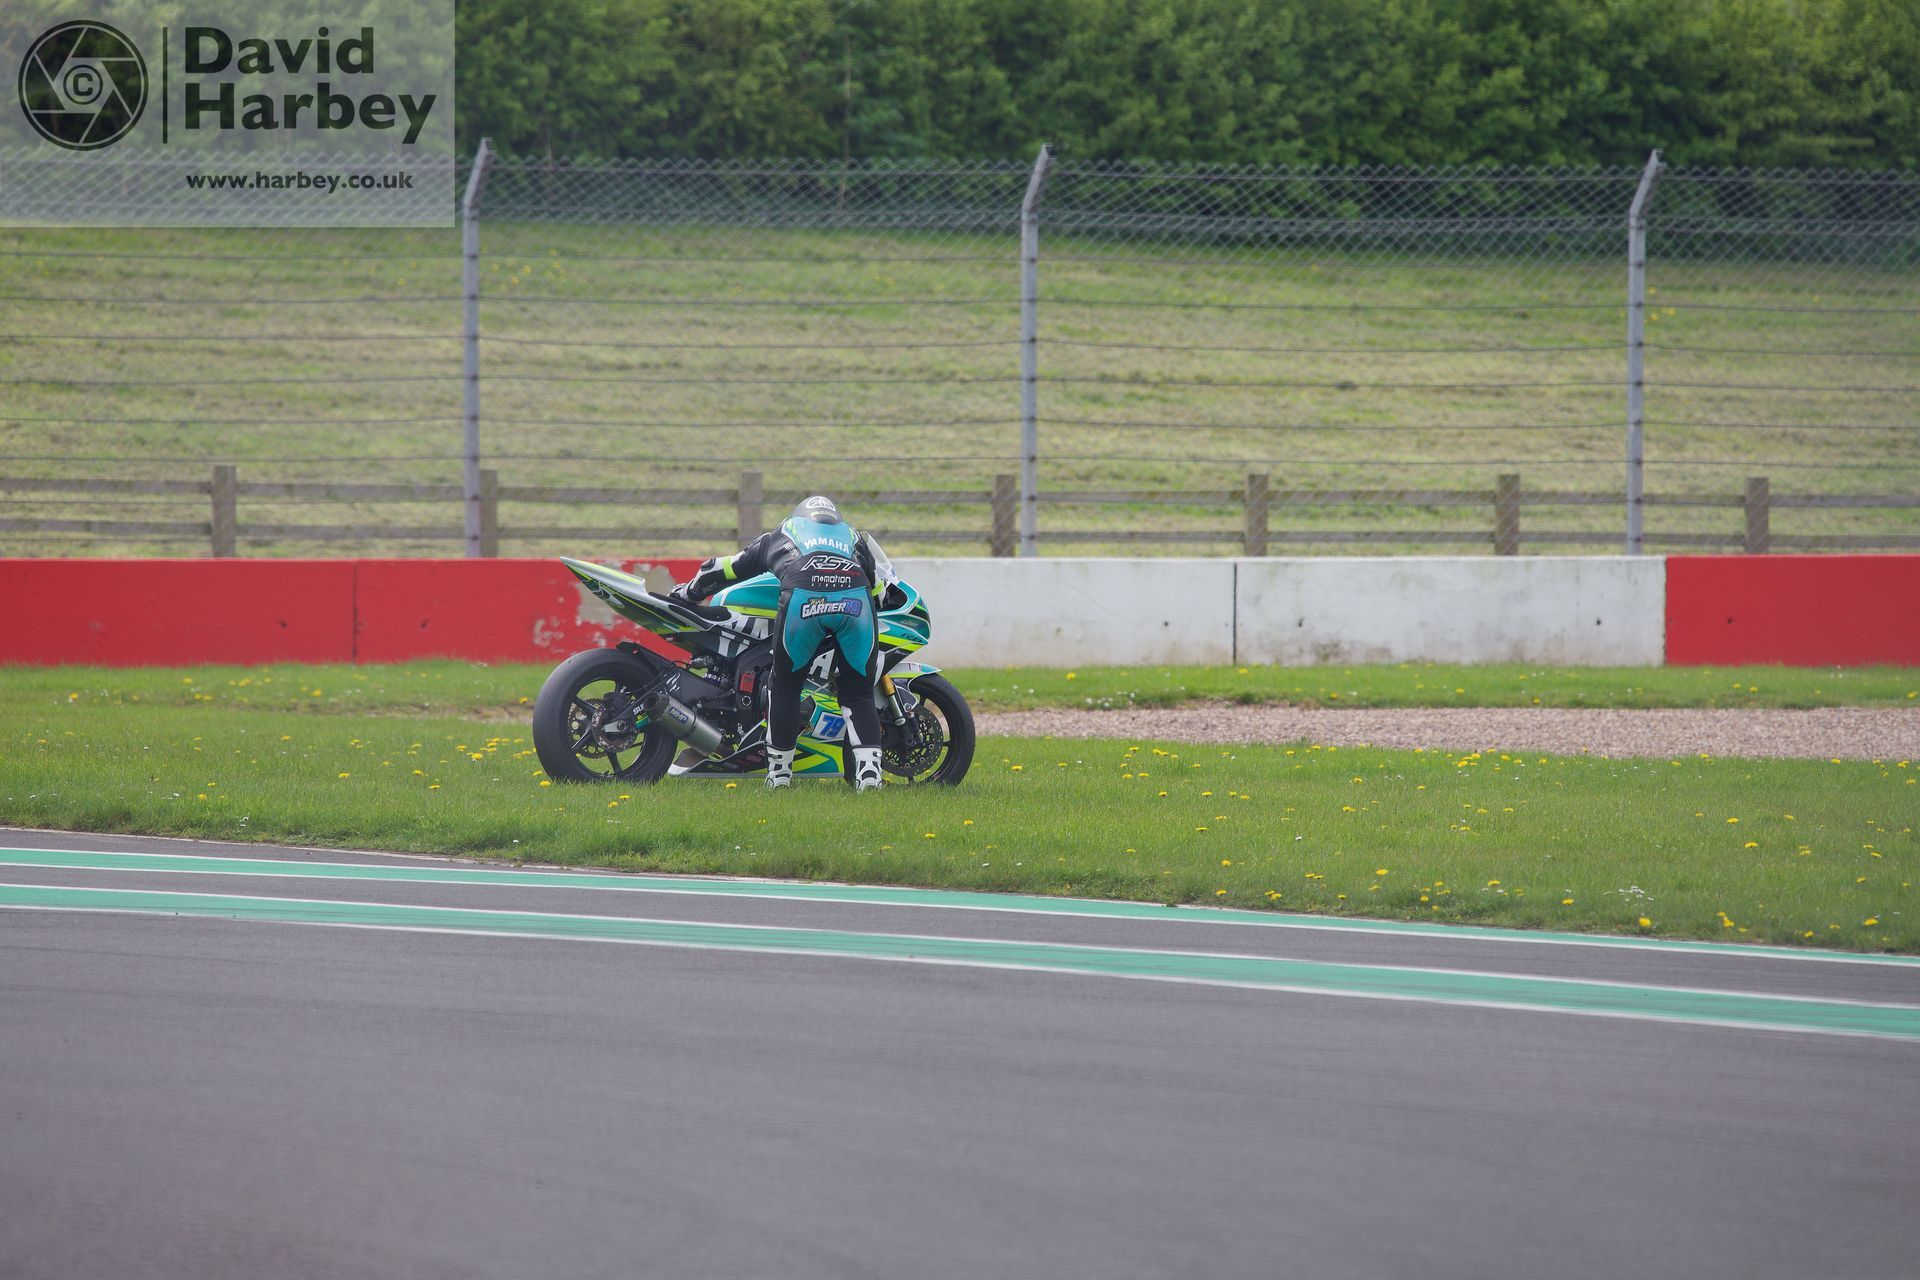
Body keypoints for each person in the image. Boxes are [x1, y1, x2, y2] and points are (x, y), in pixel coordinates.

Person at [672, 495, 893, 791]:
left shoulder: (783, 532)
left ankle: (779, 776)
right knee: (858, 693)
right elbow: (879, 593)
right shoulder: (852, 535)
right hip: (856, 604)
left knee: (786, 685)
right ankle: (869, 778)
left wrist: (688, 594)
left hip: (803, 600)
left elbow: (720, 569)